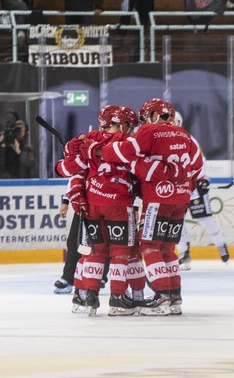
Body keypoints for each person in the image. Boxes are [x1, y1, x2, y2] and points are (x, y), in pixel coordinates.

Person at [56, 104, 177, 316]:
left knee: (94, 252)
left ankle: (86, 298)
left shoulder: (87, 139)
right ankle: (120, 298)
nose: (130, 128)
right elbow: (142, 170)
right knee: (125, 252)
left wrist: (74, 192)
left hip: (92, 205)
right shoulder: (127, 142)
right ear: (119, 122)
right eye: (128, 124)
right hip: (120, 206)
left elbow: (64, 168)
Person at [97, 98, 203, 316]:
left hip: (158, 198)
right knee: (167, 249)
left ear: (154, 115)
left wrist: (103, 150)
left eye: (146, 117)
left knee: (149, 246)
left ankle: (161, 295)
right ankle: (174, 298)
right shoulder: (185, 135)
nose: (144, 122)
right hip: (181, 199)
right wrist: (183, 187)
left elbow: (126, 150)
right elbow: (197, 167)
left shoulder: (150, 131)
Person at [173, 111, 229, 271]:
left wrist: (203, 178)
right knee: (178, 222)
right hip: (178, 190)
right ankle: (184, 254)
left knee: (205, 219)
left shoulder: (189, 140)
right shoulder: (164, 141)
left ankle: (221, 245)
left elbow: (200, 160)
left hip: (194, 188)